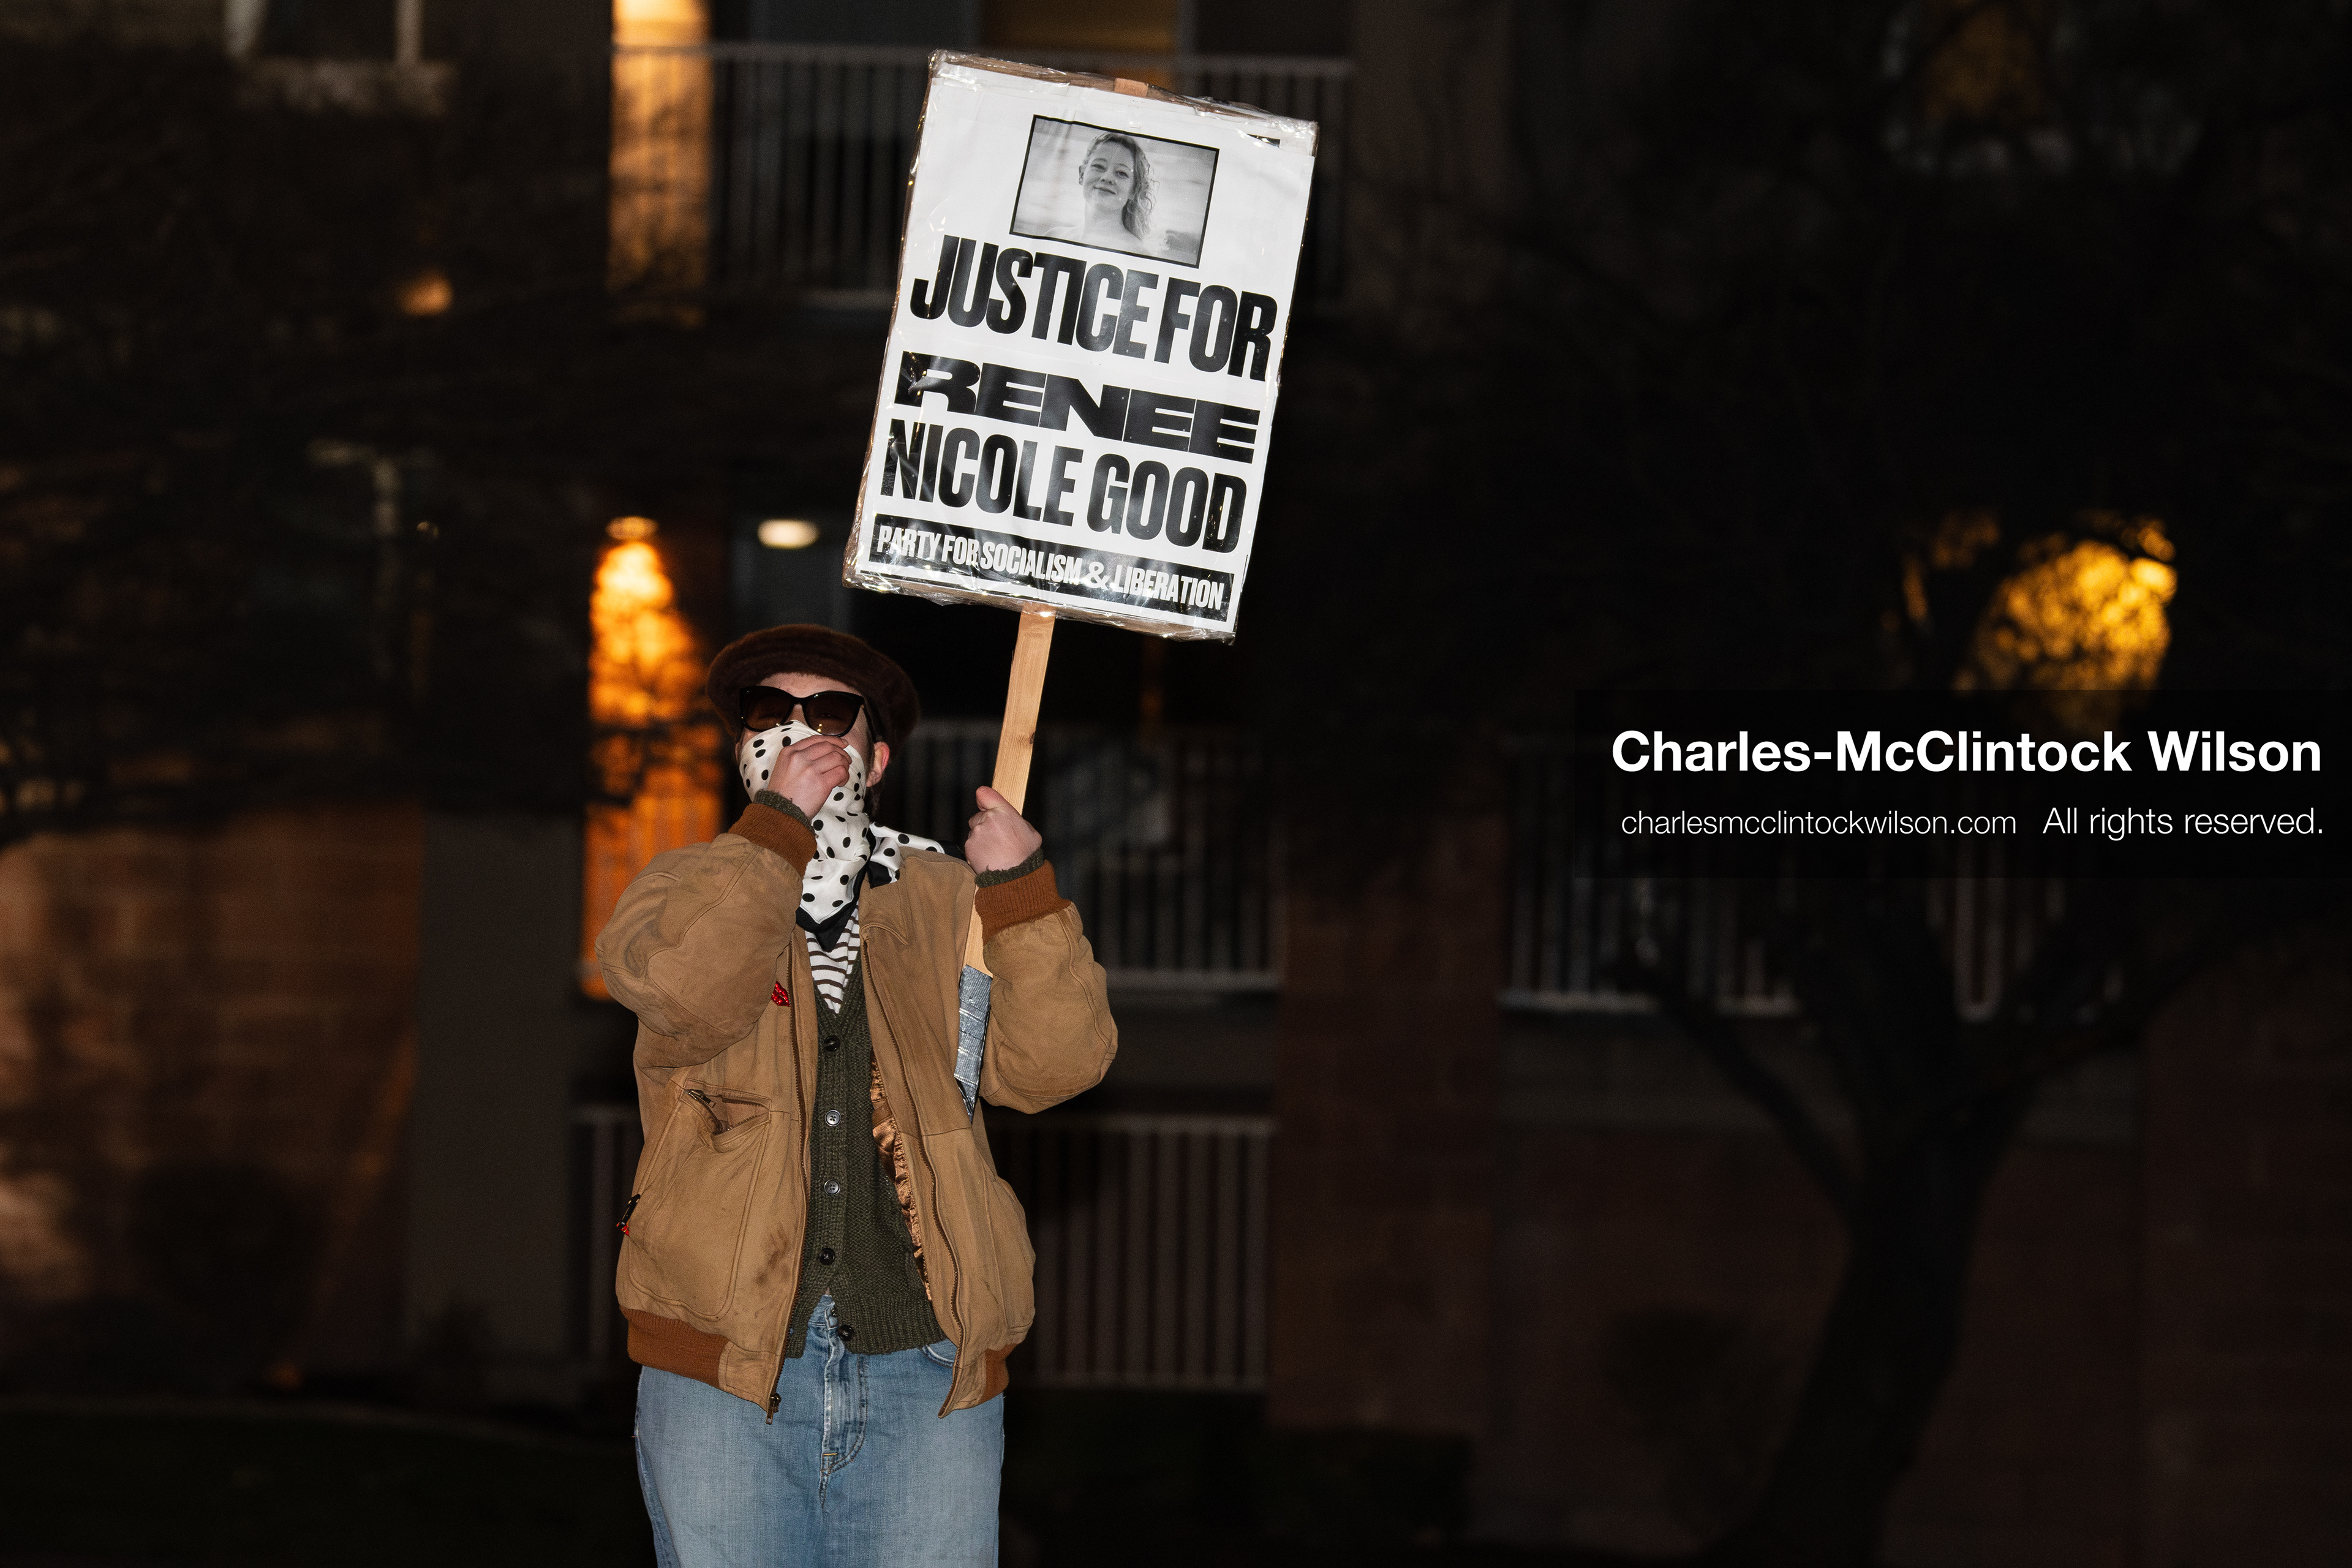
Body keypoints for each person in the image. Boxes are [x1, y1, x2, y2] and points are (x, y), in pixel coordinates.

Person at [597, 624, 1117, 1567]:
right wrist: (775, 839)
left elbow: (1052, 1069)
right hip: (725, 1366)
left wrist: (1021, 895)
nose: (800, 735)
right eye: (771, 715)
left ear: (874, 760)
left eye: (828, 716)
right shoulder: (682, 888)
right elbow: (689, 995)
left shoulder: (949, 899)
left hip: (928, 1367)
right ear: (744, 749)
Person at [1040, 129, 1161, 255]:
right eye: (1099, 166)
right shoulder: (1053, 238)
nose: (1107, 177)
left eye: (1121, 173)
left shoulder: (1138, 254)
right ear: (1082, 174)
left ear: (1134, 191)